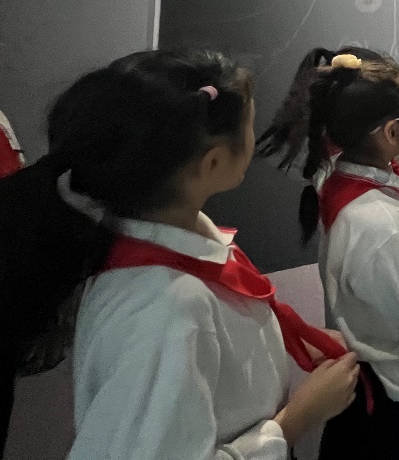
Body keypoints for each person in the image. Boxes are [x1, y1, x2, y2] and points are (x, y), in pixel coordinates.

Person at [0, 50, 359, 460]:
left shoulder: (176, 243)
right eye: (249, 124)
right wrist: (296, 419)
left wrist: (278, 340)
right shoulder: (165, 309)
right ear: (213, 161)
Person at [258, 48, 399, 460]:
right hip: (395, 395)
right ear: (391, 133)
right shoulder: (381, 225)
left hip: (364, 364)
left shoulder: (338, 179)